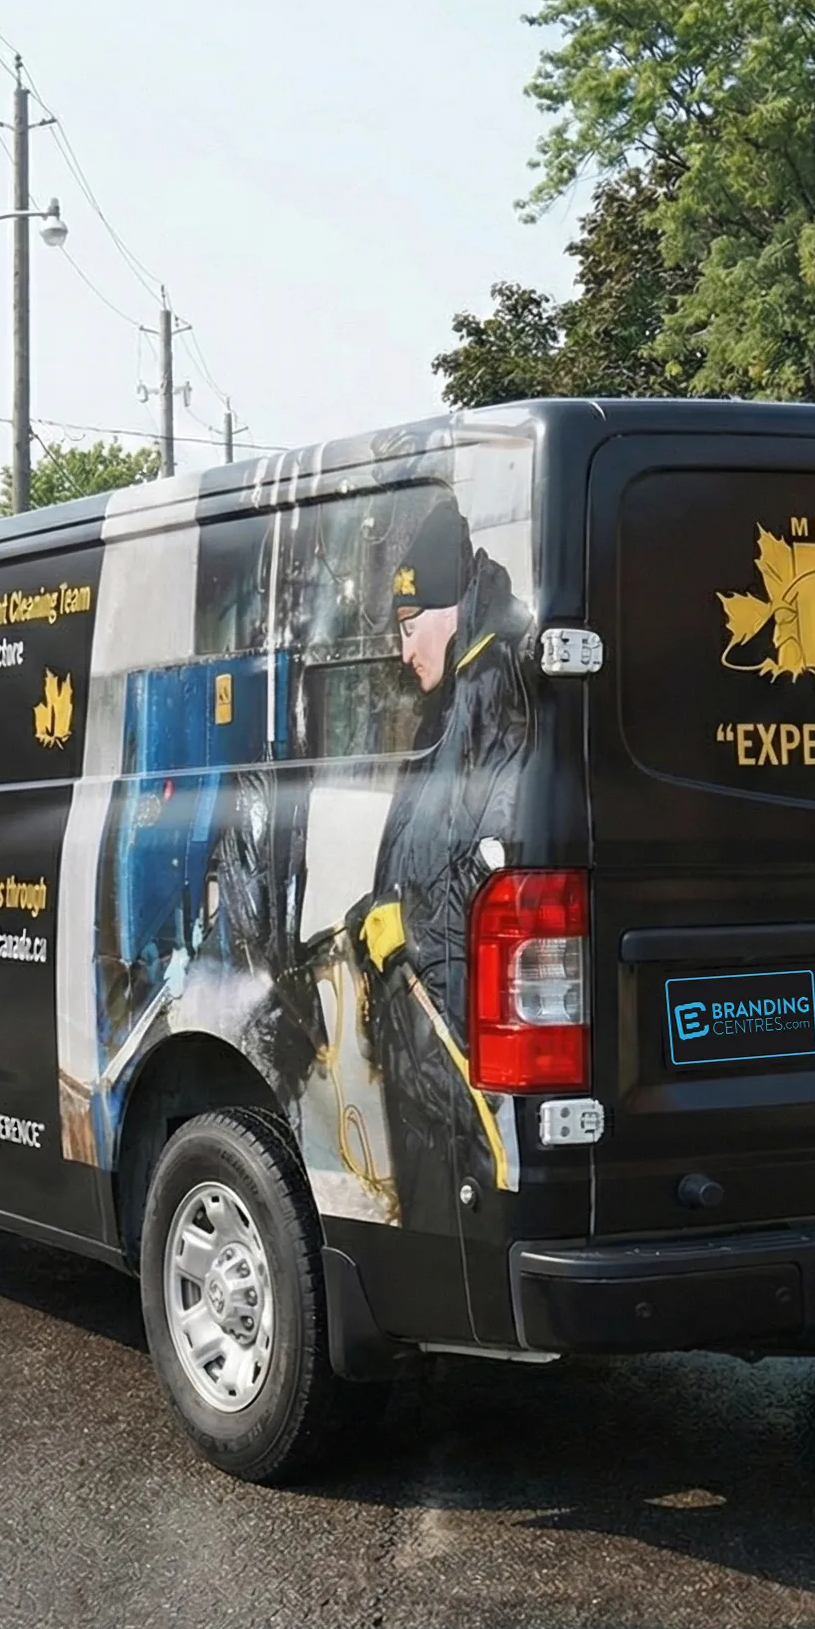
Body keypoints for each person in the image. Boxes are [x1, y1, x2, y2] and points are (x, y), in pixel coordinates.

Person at [351, 493, 532, 1237]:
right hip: (432, 1040)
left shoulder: (498, 691)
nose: (402, 650)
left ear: (449, 606)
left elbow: (503, 858)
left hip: (459, 1054)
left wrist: (411, 931)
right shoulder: (460, 691)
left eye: (407, 626)